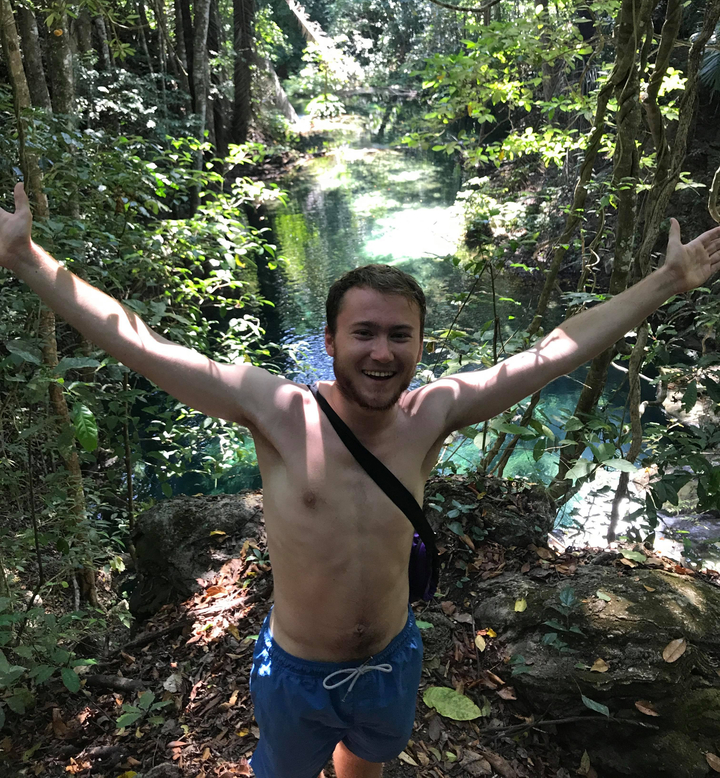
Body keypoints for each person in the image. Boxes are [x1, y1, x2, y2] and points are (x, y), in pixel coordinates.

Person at [1, 181, 719, 778]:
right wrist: (29, 259)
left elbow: (550, 354)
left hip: (391, 658)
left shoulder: (432, 414)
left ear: (419, 344)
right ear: (330, 341)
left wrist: (667, 281)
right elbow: (140, 342)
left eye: (399, 335)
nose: (382, 352)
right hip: (294, 674)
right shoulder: (277, 410)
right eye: (364, 333)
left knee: (366, 764)